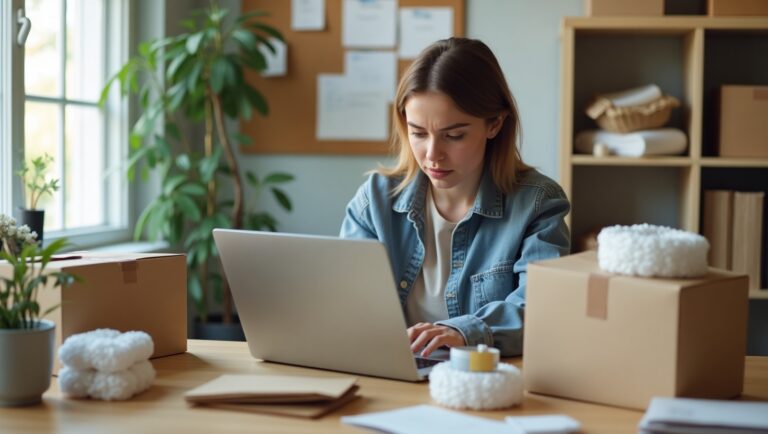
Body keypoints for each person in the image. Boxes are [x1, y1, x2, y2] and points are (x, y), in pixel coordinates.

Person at [340, 37, 570, 358]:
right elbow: (344, 301)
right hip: (391, 377)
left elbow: (542, 308)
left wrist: (463, 332)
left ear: (495, 124)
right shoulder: (375, 200)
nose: (433, 155)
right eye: (418, 133)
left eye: (454, 135)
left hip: (480, 380)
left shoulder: (537, 203)